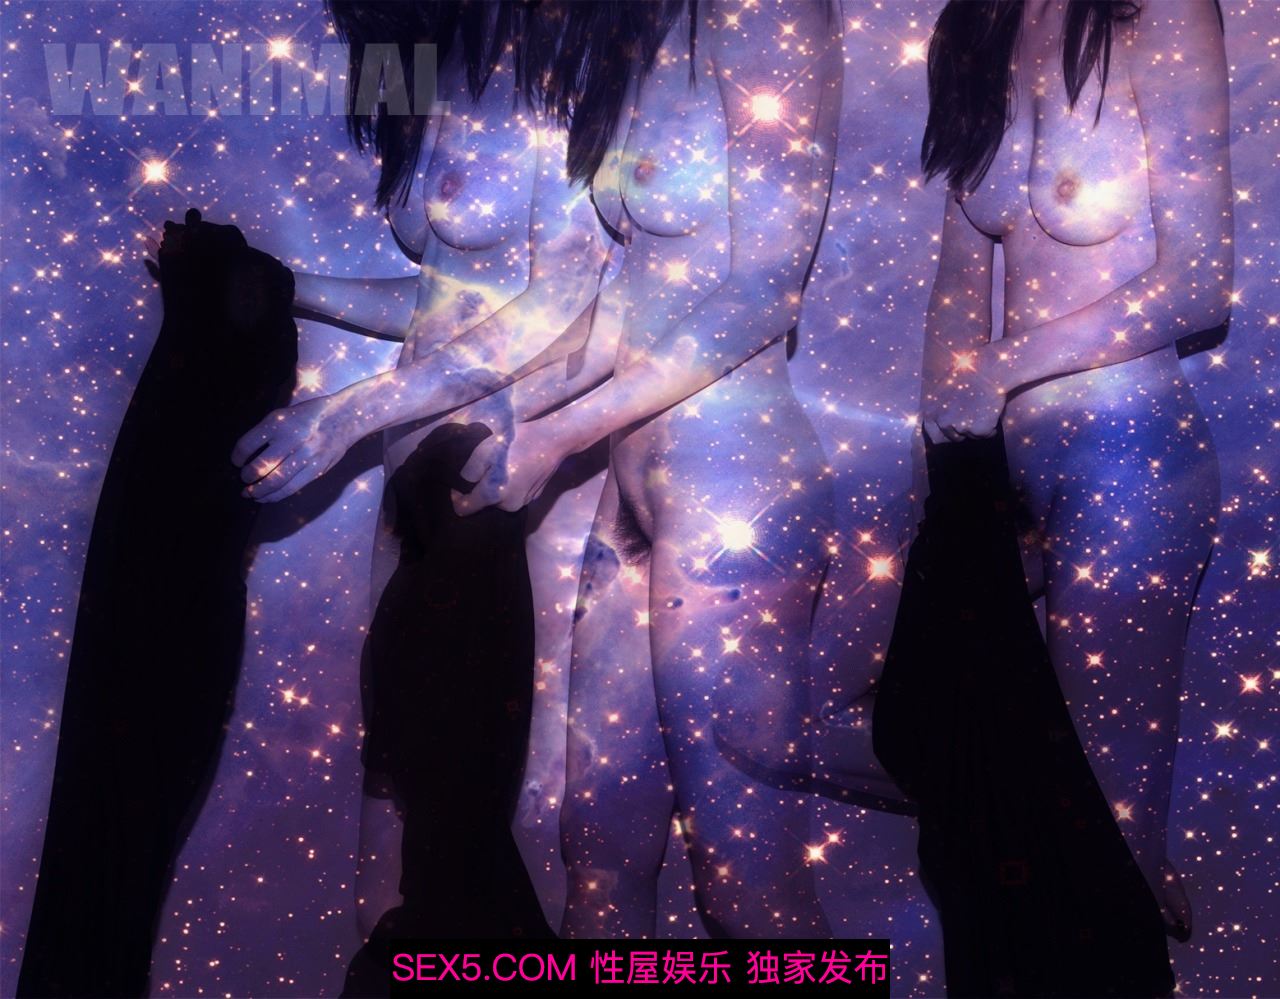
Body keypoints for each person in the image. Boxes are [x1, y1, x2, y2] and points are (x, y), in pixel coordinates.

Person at [228, 0, 610, 949]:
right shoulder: (431, 66)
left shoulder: (557, 62)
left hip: (500, 486)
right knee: (396, 868)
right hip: (417, 487)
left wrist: (351, 411)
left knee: (462, 845)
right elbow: (453, 300)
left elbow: (566, 299)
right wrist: (285, 287)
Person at [459, 0, 845, 938]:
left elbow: (766, 290)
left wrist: (556, 435)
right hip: (633, 490)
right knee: (597, 852)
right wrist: (515, 410)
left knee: (747, 886)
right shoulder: (640, 31)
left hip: (733, 488)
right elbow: (628, 305)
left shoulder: (771, 13)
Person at [915, 0, 1231, 940]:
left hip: (1130, 456)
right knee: (967, 775)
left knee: (1100, 828)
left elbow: (1201, 280)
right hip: (997, 473)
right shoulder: (976, 26)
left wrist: (997, 372)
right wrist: (955, 471)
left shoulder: (1158, 12)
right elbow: (957, 292)